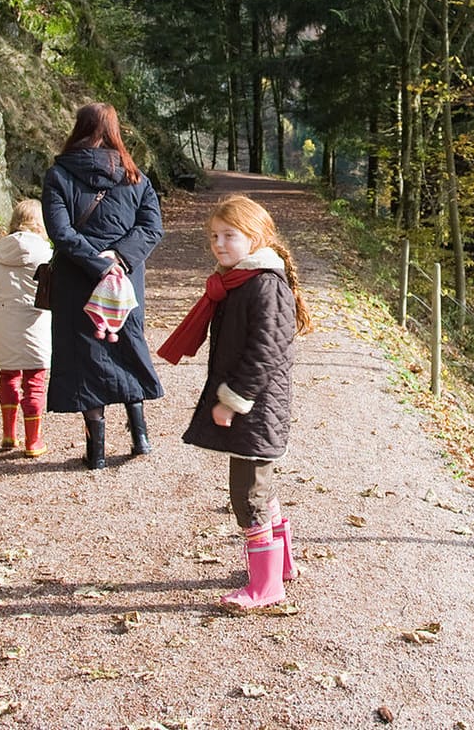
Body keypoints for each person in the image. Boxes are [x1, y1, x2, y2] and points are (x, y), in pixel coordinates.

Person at [158, 194, 313, 611]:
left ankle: (265, 587)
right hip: (256, 406)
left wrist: (233, 400)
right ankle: (281, 567)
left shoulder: (264, 285)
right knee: (259, 486)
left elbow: (264, 352)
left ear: (256, 237)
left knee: (247, 494)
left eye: (230, 236)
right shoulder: (241, 281)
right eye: (214, 236)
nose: (220, 244)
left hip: (257, 407)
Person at [41, 103, 164, 469]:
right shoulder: (135, 177)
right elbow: (151, 228)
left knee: (85, 359)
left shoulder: (59, 174)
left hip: (77, 280)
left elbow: (60, 232)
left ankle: (95, 452)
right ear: (115, 131)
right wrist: (119, 260)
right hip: (125, 281)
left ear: (77, 128)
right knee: (128, 347)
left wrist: (97, 263)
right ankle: (140, 436)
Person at [0, 200, 55, 457]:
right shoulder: (47, 253)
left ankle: (8, 434)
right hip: (36, 323)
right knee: (34, 382)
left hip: (4, 322)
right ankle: (33, 442)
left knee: (8, 376)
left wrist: (0, 290)